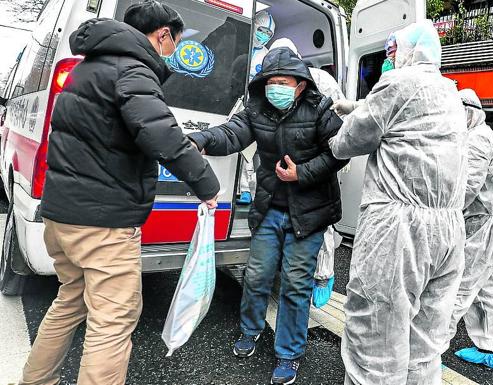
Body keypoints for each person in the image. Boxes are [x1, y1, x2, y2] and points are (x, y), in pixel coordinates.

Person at [19, 2, 220, 384]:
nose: (173, 51)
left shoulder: (88, 68)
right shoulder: (133, 70)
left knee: (69, 302)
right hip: (104, 223)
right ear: (163, 35)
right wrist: (207, 186)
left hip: (62, 216)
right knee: (113, 322)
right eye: (175, 42)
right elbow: (162, 135)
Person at [187, 47, 347, 384]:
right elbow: (230, 134)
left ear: (300, 85)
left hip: (309, 214)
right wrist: (199, 140)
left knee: (295, 285)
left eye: (284, 82)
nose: (276, 87)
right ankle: (250, 330)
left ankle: (289, 354)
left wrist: (301, 173)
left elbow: (339, 152)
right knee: (256, 276)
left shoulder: (320, 109)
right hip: (269, 209)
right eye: (271, 81)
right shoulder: (257, 108)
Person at [329, 20, 468, 385]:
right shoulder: (449, 91)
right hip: (449, 232)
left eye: (392, 53)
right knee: (424, 347)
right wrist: (357, 105)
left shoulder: (397, 83)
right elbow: (406, 115)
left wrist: (334, 133)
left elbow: (350, 141)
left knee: (375, 340)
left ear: (408, 52)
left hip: (399, 231)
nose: (388, 60)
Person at [268, 37, 346, 308]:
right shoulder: (271, 81)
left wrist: (310, 165)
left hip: (317, 164)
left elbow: (339, 130)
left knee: (318, 222)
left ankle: (323, 276)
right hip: (285, 168)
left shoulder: (320, 80)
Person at [443, 88, 493, 370]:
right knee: (483, 287)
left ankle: (427, 353)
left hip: (484, 225)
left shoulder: (477, 140)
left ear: (469, 111)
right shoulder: (477, 137)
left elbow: (466, 188)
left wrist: (442, 215)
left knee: (458, 287)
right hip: (484, 223)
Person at [237, 10, 277, 205]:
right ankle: (238, 188)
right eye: (261, 30)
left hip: (254, 107)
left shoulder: (266, 56)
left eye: (268, 34)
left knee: (250, 150)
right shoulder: (238, 45)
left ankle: (246, 190)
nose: (264, 36)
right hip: (235, 103)